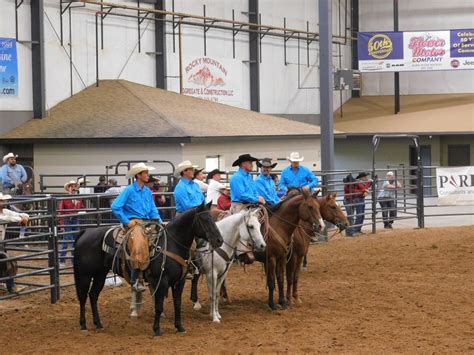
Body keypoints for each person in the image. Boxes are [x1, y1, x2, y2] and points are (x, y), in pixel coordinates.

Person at [111, 163, 162, 292]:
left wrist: (160, 222)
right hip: (134, 222)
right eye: (145, 173)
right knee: (138, 243)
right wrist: (127, 222)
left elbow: (152, 210)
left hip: (148, 222)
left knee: (164, 237)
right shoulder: (129, 190)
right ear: (138, 175)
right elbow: (115, 206)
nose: (147, 175)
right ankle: (136, 278)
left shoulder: (147, 191)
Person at [0, 192, 29, 293]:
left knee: (7, 263)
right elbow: (4, 219)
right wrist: (20, 219)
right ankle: (11, 287)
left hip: (1, 243)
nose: (3, 202)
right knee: (8, 263)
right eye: (1, 201)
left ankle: (9, 286)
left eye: (3, 200)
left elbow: (24, 214)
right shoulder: (4, 214)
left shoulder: (5, 211)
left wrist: (23, 217)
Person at [58, 181, 84, 267]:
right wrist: (61, 224)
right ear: (68, 188)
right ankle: (62, 260)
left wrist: (78, 206)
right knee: (66, 240)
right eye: (71, 186)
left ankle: (74, 260)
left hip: (75, 219)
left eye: (74, 186)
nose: (73, 188)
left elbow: (81, 208)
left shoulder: (78, 198)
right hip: (67, 220)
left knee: (75, 240)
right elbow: (61, 211)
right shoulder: (65, 197)